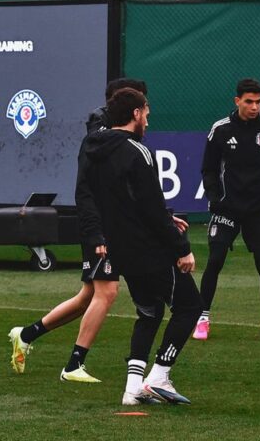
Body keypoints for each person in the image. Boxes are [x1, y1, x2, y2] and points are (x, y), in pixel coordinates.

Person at [9, 78, 184, 383]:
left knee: (87, 296)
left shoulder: (115, 141)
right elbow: (86, 191)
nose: (145, 111)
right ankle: (73, 365)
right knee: (107, 291)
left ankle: (26, 335)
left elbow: (132, 192)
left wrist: (164, 216)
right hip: (103, 230)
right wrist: (95, 233)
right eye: (140, 103)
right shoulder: (99, 141)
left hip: (114, 228)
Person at [81, 87, 202, 405]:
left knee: (149, 313)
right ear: (136, 114)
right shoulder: (138, 152)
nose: (148, 120)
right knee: (190, 307)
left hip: (121, 251)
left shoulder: (94, 151)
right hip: (151, 249)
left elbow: (118, 203)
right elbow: (151, 207)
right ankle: (159, 375)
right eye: (146, 114)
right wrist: (181, 248)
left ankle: (132, 389)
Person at [194, 78, 260, 341]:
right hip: (227, 208)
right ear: (237, 100)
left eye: (258, 102)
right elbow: (208, 168)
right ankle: (202, 319)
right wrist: (214, 196)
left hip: (258, 210)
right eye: (249, 102)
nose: (254, 107)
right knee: (215, 260)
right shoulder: (221, 129)